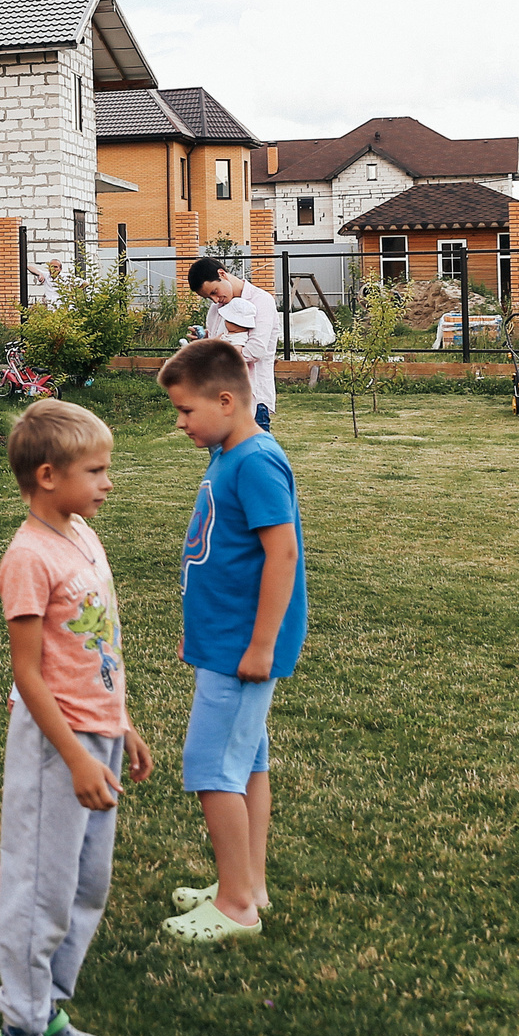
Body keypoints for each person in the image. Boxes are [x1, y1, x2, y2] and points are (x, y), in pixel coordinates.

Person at [0, 399, 153, 1036]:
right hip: (57, 743)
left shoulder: (82, 533)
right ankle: (17, 1035)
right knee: (41, 887)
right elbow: (28, 675)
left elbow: (97, 646)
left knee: (87, 882)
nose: (108, 481)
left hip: (98, 731)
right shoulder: (27, 556)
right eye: (97, 469)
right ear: (50, 475)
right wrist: (76, 757)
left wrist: (123, 723)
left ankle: (46, 1003)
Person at [155, 338, 307, 946]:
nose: (181, 422)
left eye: (187, 411)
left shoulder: (255, 460)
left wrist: (261, 644)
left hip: (244, 649)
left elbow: (283, 552)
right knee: (247, 763)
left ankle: (238, 905)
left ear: (225, 400)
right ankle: (247, 883)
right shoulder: (227, 453)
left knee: (212, 766)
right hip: (222, 642)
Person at [188, 257, 279, 429]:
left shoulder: (260, 301)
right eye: (209, 297)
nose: (215, 300)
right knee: (222, 456)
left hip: (251, 398)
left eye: (214, 291)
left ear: (222, 274)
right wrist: (205, 339)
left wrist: (215, 349)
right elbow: (223, 339)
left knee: (252, 455)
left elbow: (255, 351)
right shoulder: (217, 308)